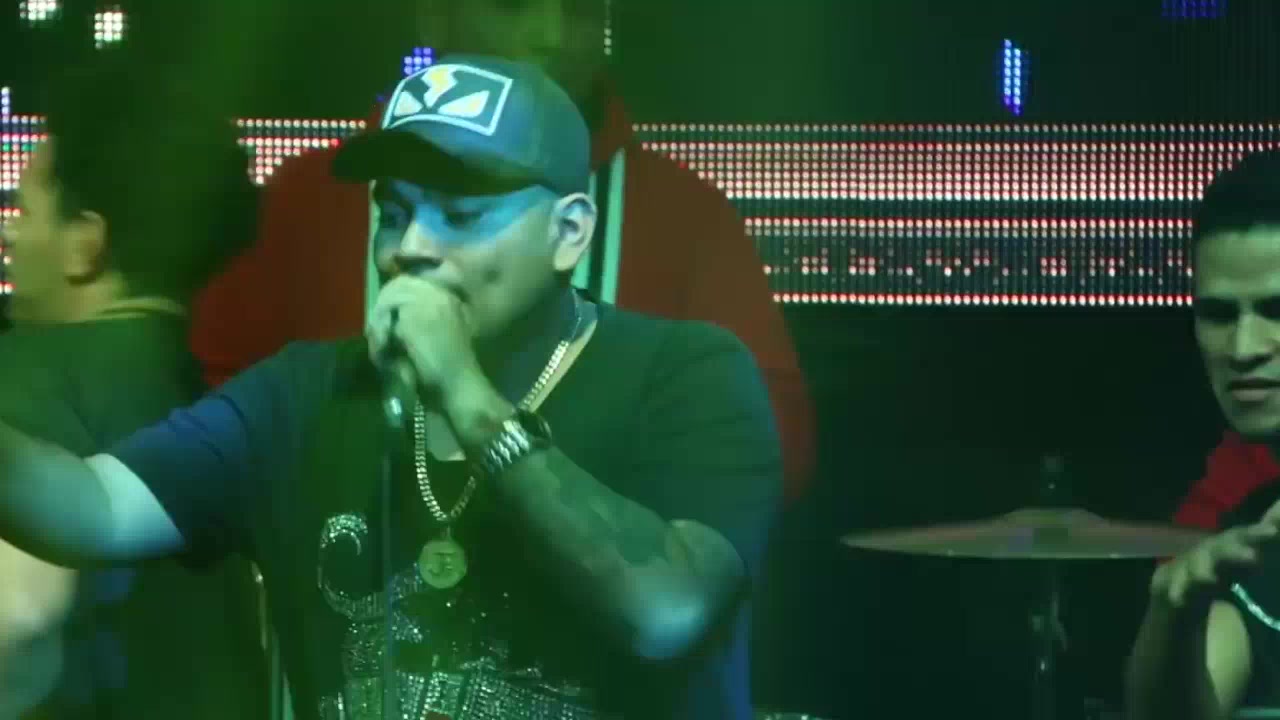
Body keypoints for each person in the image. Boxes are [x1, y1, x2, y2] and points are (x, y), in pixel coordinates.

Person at [0, 56, 782, 720]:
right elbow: (93, 508)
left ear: (569, 232)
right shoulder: (307, 392)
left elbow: (668, 610)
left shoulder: (685, 374)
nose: (412, 247)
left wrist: (468, 397)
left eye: (461, 215)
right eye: (396, 214)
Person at [190, 0, 816, 502]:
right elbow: (210, 417)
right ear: (434, 15)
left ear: (573, 228)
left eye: (579, 8)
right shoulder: (309, 197)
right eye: (512, 3)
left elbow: (766, 451)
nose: (551, 32)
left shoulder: (686, 215)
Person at [0, 56, 267, 720]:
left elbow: (19, 614)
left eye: (24, 209)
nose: (8, 230)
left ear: (84, 245)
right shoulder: (230, 410)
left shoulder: (22, 375)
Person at [1126, 150, 1280, 719]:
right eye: (1218, 315)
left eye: (1277, 309)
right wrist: (1176, 614)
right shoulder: (1239, 521)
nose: (1244, 348)